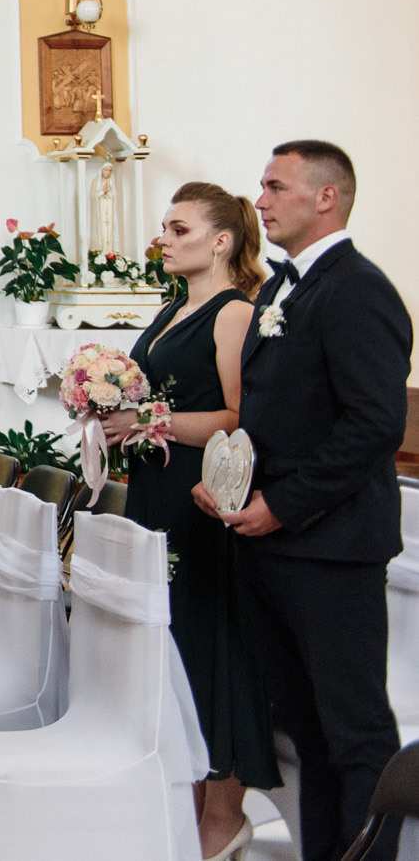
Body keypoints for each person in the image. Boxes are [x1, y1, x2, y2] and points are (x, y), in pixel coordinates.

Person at [192, 141, 410, 861]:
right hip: (277, 542)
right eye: (263, 186)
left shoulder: (357, 289)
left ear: (326, 197)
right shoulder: (287, 288)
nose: (261, 200)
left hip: (330, 545)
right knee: (306, 731)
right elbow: (272, 413)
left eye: (275, 186)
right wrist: (226, 479)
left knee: (352, 730)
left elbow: (375, 425)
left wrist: (283, 504)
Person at [102, 183, 280, 861]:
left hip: (199, 495)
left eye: (178, 229)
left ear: (222, 241)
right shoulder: (177, 307)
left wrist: (150, 420)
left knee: (212, 644)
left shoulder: (234, 313)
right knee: (173, 644)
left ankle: (224, 815)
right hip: (158, 490)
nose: (165, 239)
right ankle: (186, 798)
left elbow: (241, 417)